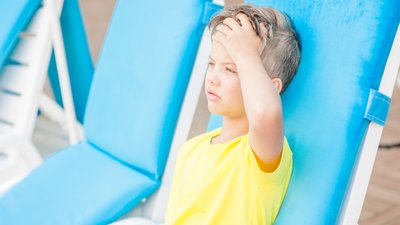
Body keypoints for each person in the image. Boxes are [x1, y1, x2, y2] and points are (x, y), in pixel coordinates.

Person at [165, 4, 301, 225]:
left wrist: (246, 53)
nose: (213, 78)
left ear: (270, 87)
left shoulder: (259, 157)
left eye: (231, 69)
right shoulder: (192, 149)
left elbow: (265, 112)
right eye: (212, 64)